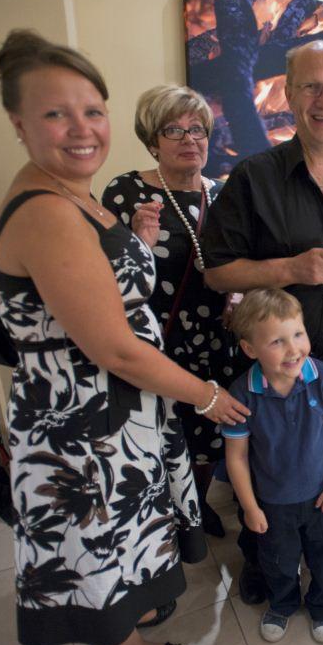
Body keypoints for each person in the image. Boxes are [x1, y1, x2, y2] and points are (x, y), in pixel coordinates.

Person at [0, 30, 248, 645]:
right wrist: (206, 396)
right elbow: (117, 349)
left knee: (126, 528)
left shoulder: (72, 191)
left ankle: (132, 618)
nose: (82, 129)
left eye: (92, 110)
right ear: (19, 124)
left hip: (119, 408)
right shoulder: (47, 211)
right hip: (84, 418)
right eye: (56, 113)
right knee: (97, 538)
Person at [201, 39, 323, 604]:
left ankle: (318, 559)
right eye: (311, 87)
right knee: (267, 472)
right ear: (288, 93)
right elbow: (216, 273)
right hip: (272, 370)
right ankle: (264, 558)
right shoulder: (252, 177)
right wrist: (290, 268)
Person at [102, 84, 236, 537]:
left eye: (197, 129)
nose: (189, 139)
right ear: (152, 141)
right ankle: (159, 514)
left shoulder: (223, 195)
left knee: (206, 438)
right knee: (155, 433)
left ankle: (196, 507)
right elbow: (106, 277)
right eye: (173, 130)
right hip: (154, 342)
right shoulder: (127, 192)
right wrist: (138, 242)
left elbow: (238, 264)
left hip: (215, 341)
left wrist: (239, 295)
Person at [222, 289, 323, 644]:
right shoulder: (242, 393)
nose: (293, 349)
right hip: (272, 503)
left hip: (322, 497)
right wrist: (250, 507)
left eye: (298, 334)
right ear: (250, 349)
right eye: (277, 341)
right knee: (277, 560)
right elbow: (236, 456)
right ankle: (282, 604)